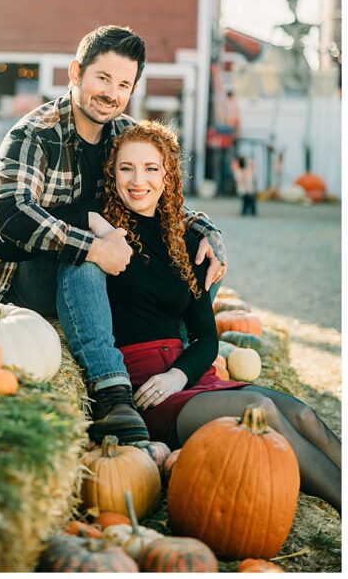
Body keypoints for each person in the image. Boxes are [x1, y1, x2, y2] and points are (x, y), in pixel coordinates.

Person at [0, 25, 227, 445]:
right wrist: (93, 247)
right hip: (21, 280)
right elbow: (11, 215)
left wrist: (207, 234)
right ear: (76, 73)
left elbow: (160, 198)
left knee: (190, 254)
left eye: (123, 84)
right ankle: (112, 393)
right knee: (86, 258)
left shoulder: (126, 134)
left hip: (100, 276)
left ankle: (179, 360)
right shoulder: (34, 134)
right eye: (103, 78)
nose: (111, 93)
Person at [97, 121, 340, 510]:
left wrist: (180, 374)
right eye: (126, 168)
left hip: (188, 376)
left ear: (168, 175)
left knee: (303, 414)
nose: (137, 180)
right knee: (260, 410)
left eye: (151, 168)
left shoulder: (187, 240)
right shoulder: (103, 235)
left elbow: (207, 339)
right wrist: (95, 222)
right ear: (112, 173)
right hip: (148, 388)